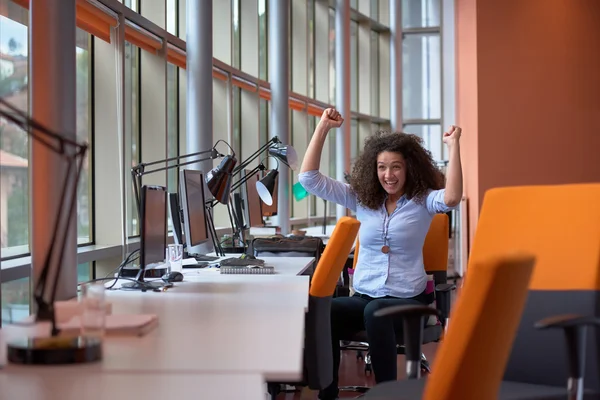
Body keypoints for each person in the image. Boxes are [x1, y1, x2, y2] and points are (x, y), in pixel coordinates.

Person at [298, 108, 463, 399]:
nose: (388, 175)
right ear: (373, 169)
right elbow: (309, 179)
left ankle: (387, 394)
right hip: (365, 295)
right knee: (324, 310)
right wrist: (322, 126)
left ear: (409, 167)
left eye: (396, 167)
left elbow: (451, 198)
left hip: (407, 298)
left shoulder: (423, 200)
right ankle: (328, 393)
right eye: (382, 167)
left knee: (377, 312)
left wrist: (454, 147)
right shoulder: (362, 198)